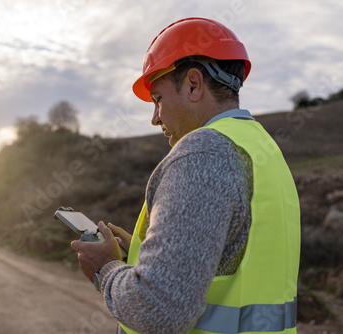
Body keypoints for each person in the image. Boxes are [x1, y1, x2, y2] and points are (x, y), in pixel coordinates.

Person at [71, 17, 300, 334]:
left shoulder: (202, 152)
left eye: (158, 99)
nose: (154, 118)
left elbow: (158, 310)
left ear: (193, 84)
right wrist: (147, 255)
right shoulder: (261, 148)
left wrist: (105, 269)